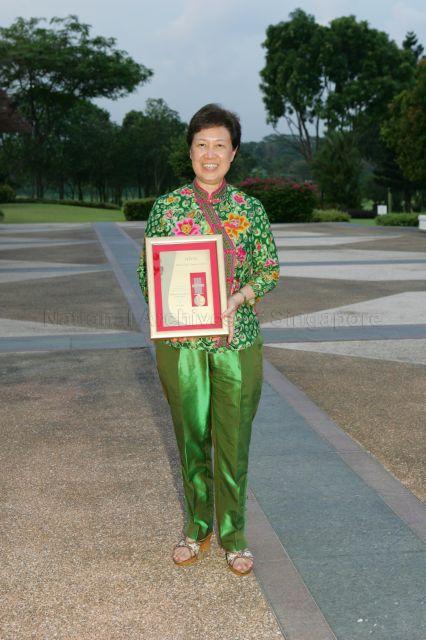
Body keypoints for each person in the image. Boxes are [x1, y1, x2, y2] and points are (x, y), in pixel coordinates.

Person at [136, 103, 280, 576]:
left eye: (220, 144)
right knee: (191, 437)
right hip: (182, 345)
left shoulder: (249, 209)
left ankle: (234, 534)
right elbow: (147, 271)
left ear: (234, 152)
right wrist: (172, 306)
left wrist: (239, 296)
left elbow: (269, 270)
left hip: (236, 340)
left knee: (233, 440)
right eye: (202, 144)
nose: (210, 153)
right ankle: (197, 527)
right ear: (191, 151)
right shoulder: (168, 207)